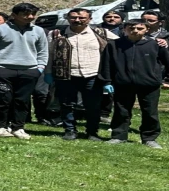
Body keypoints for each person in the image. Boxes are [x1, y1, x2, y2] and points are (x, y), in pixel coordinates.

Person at [99, 19, 169, 148]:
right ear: (124, 29)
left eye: (139, 28)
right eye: (131, 28)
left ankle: (149, 138)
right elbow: (106, 64)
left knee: (150, 112)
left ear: (147, 30)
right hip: (123, 84)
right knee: (121, 111)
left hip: (149, 85)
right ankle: (118, 136)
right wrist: (106, 81)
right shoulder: (114, 45)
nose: (135, 31)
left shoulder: (155, 45)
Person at [46, 8, 117, 141]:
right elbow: (49, 55)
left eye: (82, 18)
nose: (77, 20)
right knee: (67, 104)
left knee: (93, 105)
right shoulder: (56, 33)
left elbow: (122, 44)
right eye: (73, 17)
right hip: (66, 75)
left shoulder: (101, 33)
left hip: (93, 74)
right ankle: (70, 130)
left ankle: (92, 132)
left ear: (89, 19)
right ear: (67, 18)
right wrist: (48, 72)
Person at [0, 3, 49, 139]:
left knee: (22, 101)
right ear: (14, 15)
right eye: (25, 14)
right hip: (3, 69)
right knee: (4, 99)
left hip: (29, 70)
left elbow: (43, 51)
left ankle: (18, 127)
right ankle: (0, 126)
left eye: (32, 14)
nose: (30, 17)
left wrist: (40, 68)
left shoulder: (38, 31)